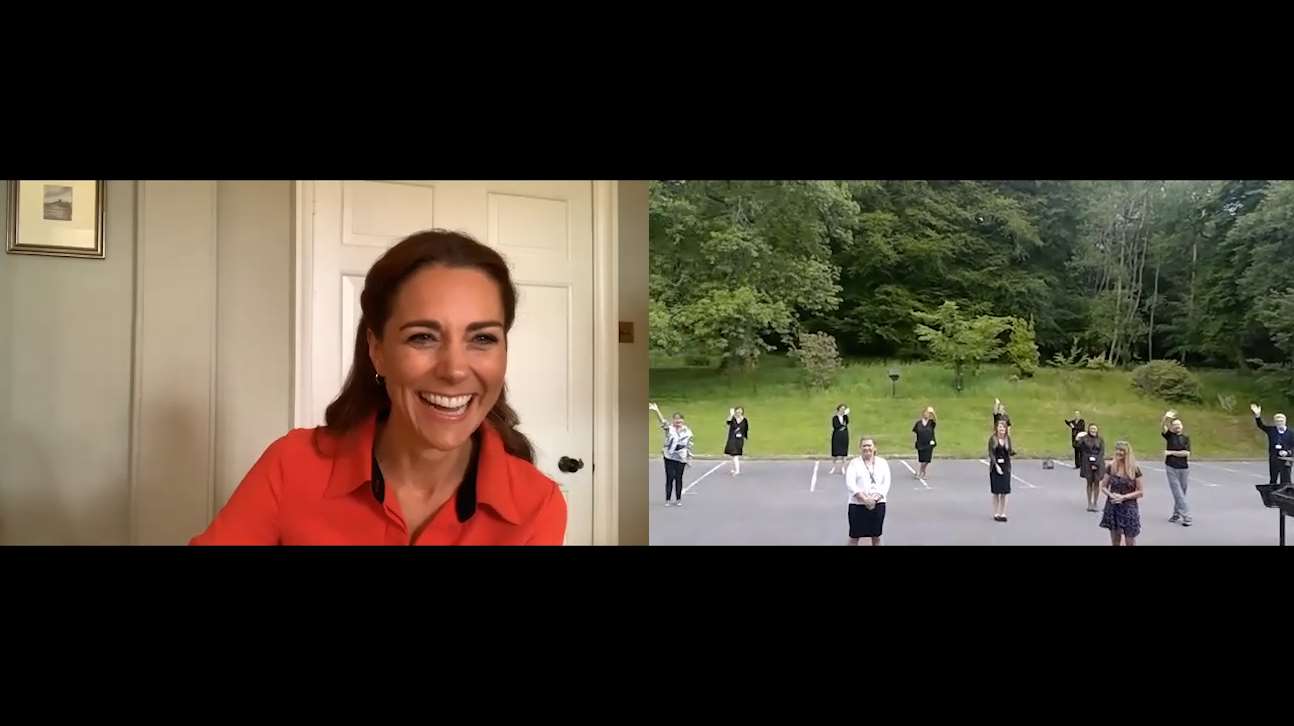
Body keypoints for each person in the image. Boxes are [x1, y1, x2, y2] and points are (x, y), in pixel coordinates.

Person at [191, 230, 566, 545]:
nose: (454, 370)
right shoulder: (292, 466)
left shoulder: (537, 505)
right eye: (423, 337)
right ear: (378, 351)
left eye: (482, 338)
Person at [845, 437, 891, 545]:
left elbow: (886, 483)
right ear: (860, 448)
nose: (867, 448)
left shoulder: (882, 463)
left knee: (876, 536)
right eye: (864, 445)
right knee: (854, 537)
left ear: (874, 447)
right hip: (857, 505)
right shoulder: (854, 463)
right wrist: (864, 499)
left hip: (878, 504)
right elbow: (850, 483)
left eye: (869, 445)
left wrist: (875, 499)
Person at [1099, 440, 1145, 546]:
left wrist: (1123, 497)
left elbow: (1140, 492)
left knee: (1130, 540)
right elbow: (1103, 487)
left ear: (1127, 453)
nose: (1119, 452)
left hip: (1129, 507)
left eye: (1122, 450)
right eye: (1117, 450)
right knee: (1115, 540)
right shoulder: (1111, 467)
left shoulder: (1135, 469)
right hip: (1113, 506)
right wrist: (1111, 495)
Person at [650, 403, 693, 507]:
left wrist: (689, 458)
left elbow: (689, 445)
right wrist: (656, 410)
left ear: (683, 421)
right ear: (673, 420)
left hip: (681, 456)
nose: (678, 422)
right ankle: (668, 499)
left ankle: (678, 499)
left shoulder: (688, 431)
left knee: (679, 478)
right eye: (676, 420)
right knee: (670, 477)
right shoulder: (670, 429)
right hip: (669, 456)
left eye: (680, 420)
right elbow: (662, 421)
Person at [1161, 410, 1192, 526]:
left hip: (1184, 468)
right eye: (1174, 425)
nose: (1177, 426)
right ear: (1172, 427)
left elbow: (1186, 453)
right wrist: (1165, 417)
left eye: (1179, 425)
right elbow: (1162, 427)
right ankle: (1187, 516)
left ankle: (1176, 514)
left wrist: (1170, 452)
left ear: (1182, 426)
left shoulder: (1186, 438)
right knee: (1177, 492)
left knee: (1182, 493)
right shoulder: (1170, 436)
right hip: (1171, 467)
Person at [1251, 403, 1294, 486]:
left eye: (1281, 421)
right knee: (1273, 478)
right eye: (1277, 421)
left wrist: (1288, 452)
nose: (1279, 423)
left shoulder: (1291, 433)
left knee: (1285, 480)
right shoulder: (1271, 430)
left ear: (1285, 421)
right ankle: (1271, 496)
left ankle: (1285, 495)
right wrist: (1257, 416)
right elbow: (1261, 425)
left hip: (1286, 459)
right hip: (1274, 458)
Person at [987, 419, 1015, 522]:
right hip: (995, 467)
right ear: (996, 428)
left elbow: (1010, 451)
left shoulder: (1008, 439)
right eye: (1000, 427)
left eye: (1003, 427)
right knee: (996, 492)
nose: (1001, 429)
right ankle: (996, 513)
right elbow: (991, 454)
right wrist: (996, 466)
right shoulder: (993, 439)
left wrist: (1013, 452)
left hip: (1006, 467)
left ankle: (1003, 513)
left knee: (1004, 491)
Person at [1074, 423, 1106, 512]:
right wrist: (1077, 440)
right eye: (1091, 429)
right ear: (1088, 430)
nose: (1093, 430)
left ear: (1097, 430)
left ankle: (1095, 503)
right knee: (1089, 482)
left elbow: (1102, 452)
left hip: (1098, 462)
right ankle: (1089, 503)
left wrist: (1096, 464)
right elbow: (1077, 447)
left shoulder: (1100, 439)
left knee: (1096, 483)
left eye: (1094, 429)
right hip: (1087, 462)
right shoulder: (1084, 439)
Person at [911, 406, 937, 478]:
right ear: (923, 414)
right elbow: (914, 432)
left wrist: (933, 413)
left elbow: (935, 420)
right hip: (920, 443)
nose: (927, 415)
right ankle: (923, 472)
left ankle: (921, 471)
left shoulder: (931, 423)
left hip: (929, 443)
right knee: (922, 459)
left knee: (927, 460)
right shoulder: (918, 423)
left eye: (928, 414)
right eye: (925, 413)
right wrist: (914, 441)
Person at [724, 406, 749, 476]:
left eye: (740, 411)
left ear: (742, 412)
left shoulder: (744, 420)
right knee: (733, 454)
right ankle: (735, 469)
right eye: (737, 411)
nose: (739, 412)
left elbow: (746, 429)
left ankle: (735, 469)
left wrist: (744, 437)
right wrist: (731, 415)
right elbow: (728, 422)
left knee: (735, 455)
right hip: (732, 438)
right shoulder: (733, 419)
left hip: (739, 439)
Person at [829, 404, 851, 474]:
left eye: (844, 409)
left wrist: (845, 415)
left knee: (844, 452)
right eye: (841, 409)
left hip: (844, 435)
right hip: (837, 435)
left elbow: (847, 423)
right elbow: (836, 426)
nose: (843, 410)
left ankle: (843, 467)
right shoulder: (835, 418)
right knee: (835, 452)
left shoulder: (845, 417)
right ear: (838, 410)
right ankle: (834, 467)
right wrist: (842, 426)